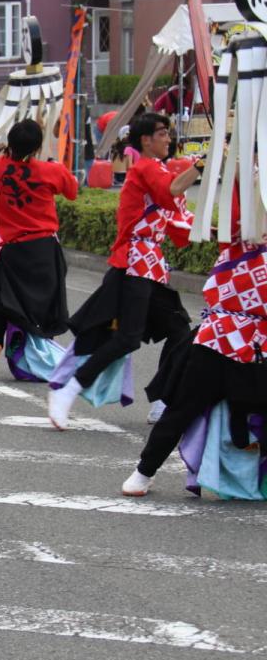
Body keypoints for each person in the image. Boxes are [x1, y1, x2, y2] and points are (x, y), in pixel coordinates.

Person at [48, 113, 200, 429]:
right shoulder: (145, 168)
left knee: (179, 332)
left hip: (151, 264)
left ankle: (161, 400)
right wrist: (200, 167)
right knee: (127, 338)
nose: (168, 139)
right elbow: (170, 192)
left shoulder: (157, 169)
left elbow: (177, 222)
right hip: (133, 262)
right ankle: (69, 389)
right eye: (163, 133)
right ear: (146, 140)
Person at [120, 181, 264, 496]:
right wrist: (235, 167)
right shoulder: (234, 244)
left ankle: (246, 459)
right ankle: (144, 471)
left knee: (251, 412)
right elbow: (202, 192)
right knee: (183, 407)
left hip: (259, 344)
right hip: (219, 338)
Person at [0, 119, 78, 383]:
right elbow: (73, 191)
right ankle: (40, 359)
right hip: (43, 248)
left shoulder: (0, 168)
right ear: (38, 145)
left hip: (13, 248)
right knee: (45, 305)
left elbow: (12, 159)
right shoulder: (49, 170)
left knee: (0, 302)